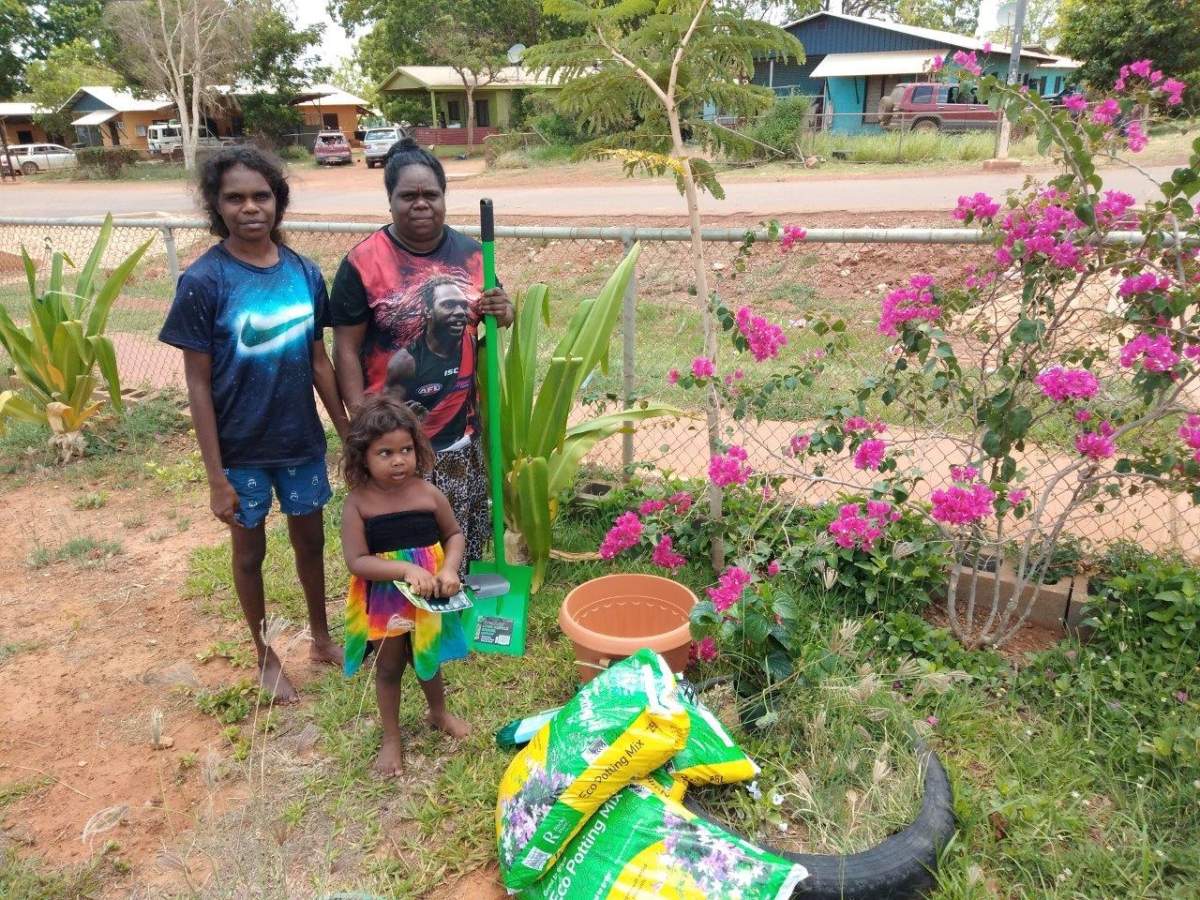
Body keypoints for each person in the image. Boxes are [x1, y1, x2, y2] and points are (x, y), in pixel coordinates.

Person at [159, 146, 349, 703]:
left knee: (311, 541)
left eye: (261, 196)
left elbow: (319, 360)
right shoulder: (204, 281)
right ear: (217, 207)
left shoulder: (304, 273)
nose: (250, 208)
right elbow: (197, 383)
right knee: (249, 554)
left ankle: (320, 637)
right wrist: (215, 476)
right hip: (240, 450)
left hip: (300, 442)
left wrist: (345, 431)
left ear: (278, 202)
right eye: (235, 198)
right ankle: (265, 656)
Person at [330, 138, 513, 577]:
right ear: (390, 201)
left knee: (457, 532)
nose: (420, 204)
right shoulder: (363, 263)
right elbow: (346, 348)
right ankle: (401, 629)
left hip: (459, 437)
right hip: (395, 445)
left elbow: (493, 314)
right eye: (407, 196)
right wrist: (361, 423)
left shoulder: (472, 254)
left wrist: (506, 312)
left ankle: (453, 610)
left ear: (444, 198)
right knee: (401, 551)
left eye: (430, 194)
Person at [340, 394, 471, 775]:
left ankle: (438, 713)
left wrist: (449, 570)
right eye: (385, 453)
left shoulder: (428, 494)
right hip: (385, 601)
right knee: (390, 665)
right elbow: (357, 560)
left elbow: (454, 535)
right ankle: (392, 737)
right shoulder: (358, 504)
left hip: (429, 597)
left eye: (406, 450)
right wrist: (402, 570)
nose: (399, 460)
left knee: (426, 658)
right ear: (362, 456)